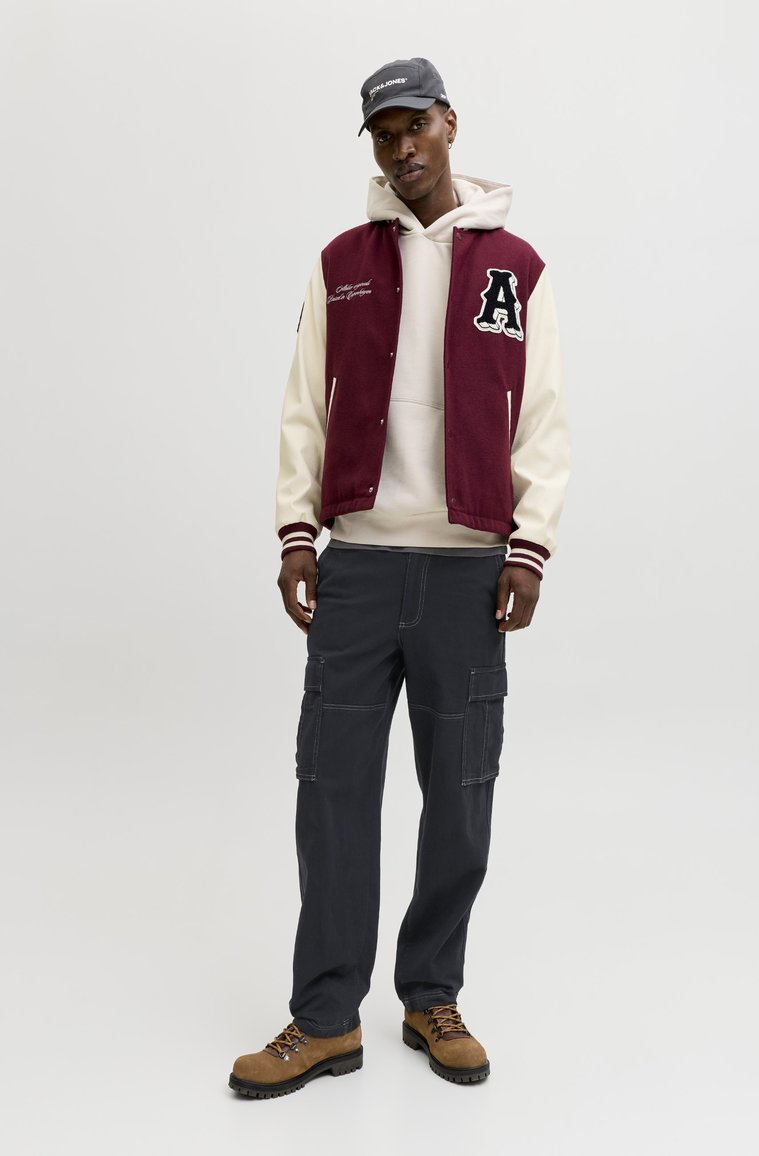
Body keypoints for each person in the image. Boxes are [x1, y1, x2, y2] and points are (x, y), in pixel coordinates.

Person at [229, 56, 569, 1099]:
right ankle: (326, 1016)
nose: (401, 147)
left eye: (415, 125)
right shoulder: (342, 263)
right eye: (383, 134)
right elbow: (304, 405)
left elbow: (542, 415)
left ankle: (430, 994)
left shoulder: (515, 266)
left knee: (459, 796)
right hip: (359, 568)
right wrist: (296, 533)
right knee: (332, 792)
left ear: (449, 123)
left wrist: (529, 546)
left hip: (469, 571)